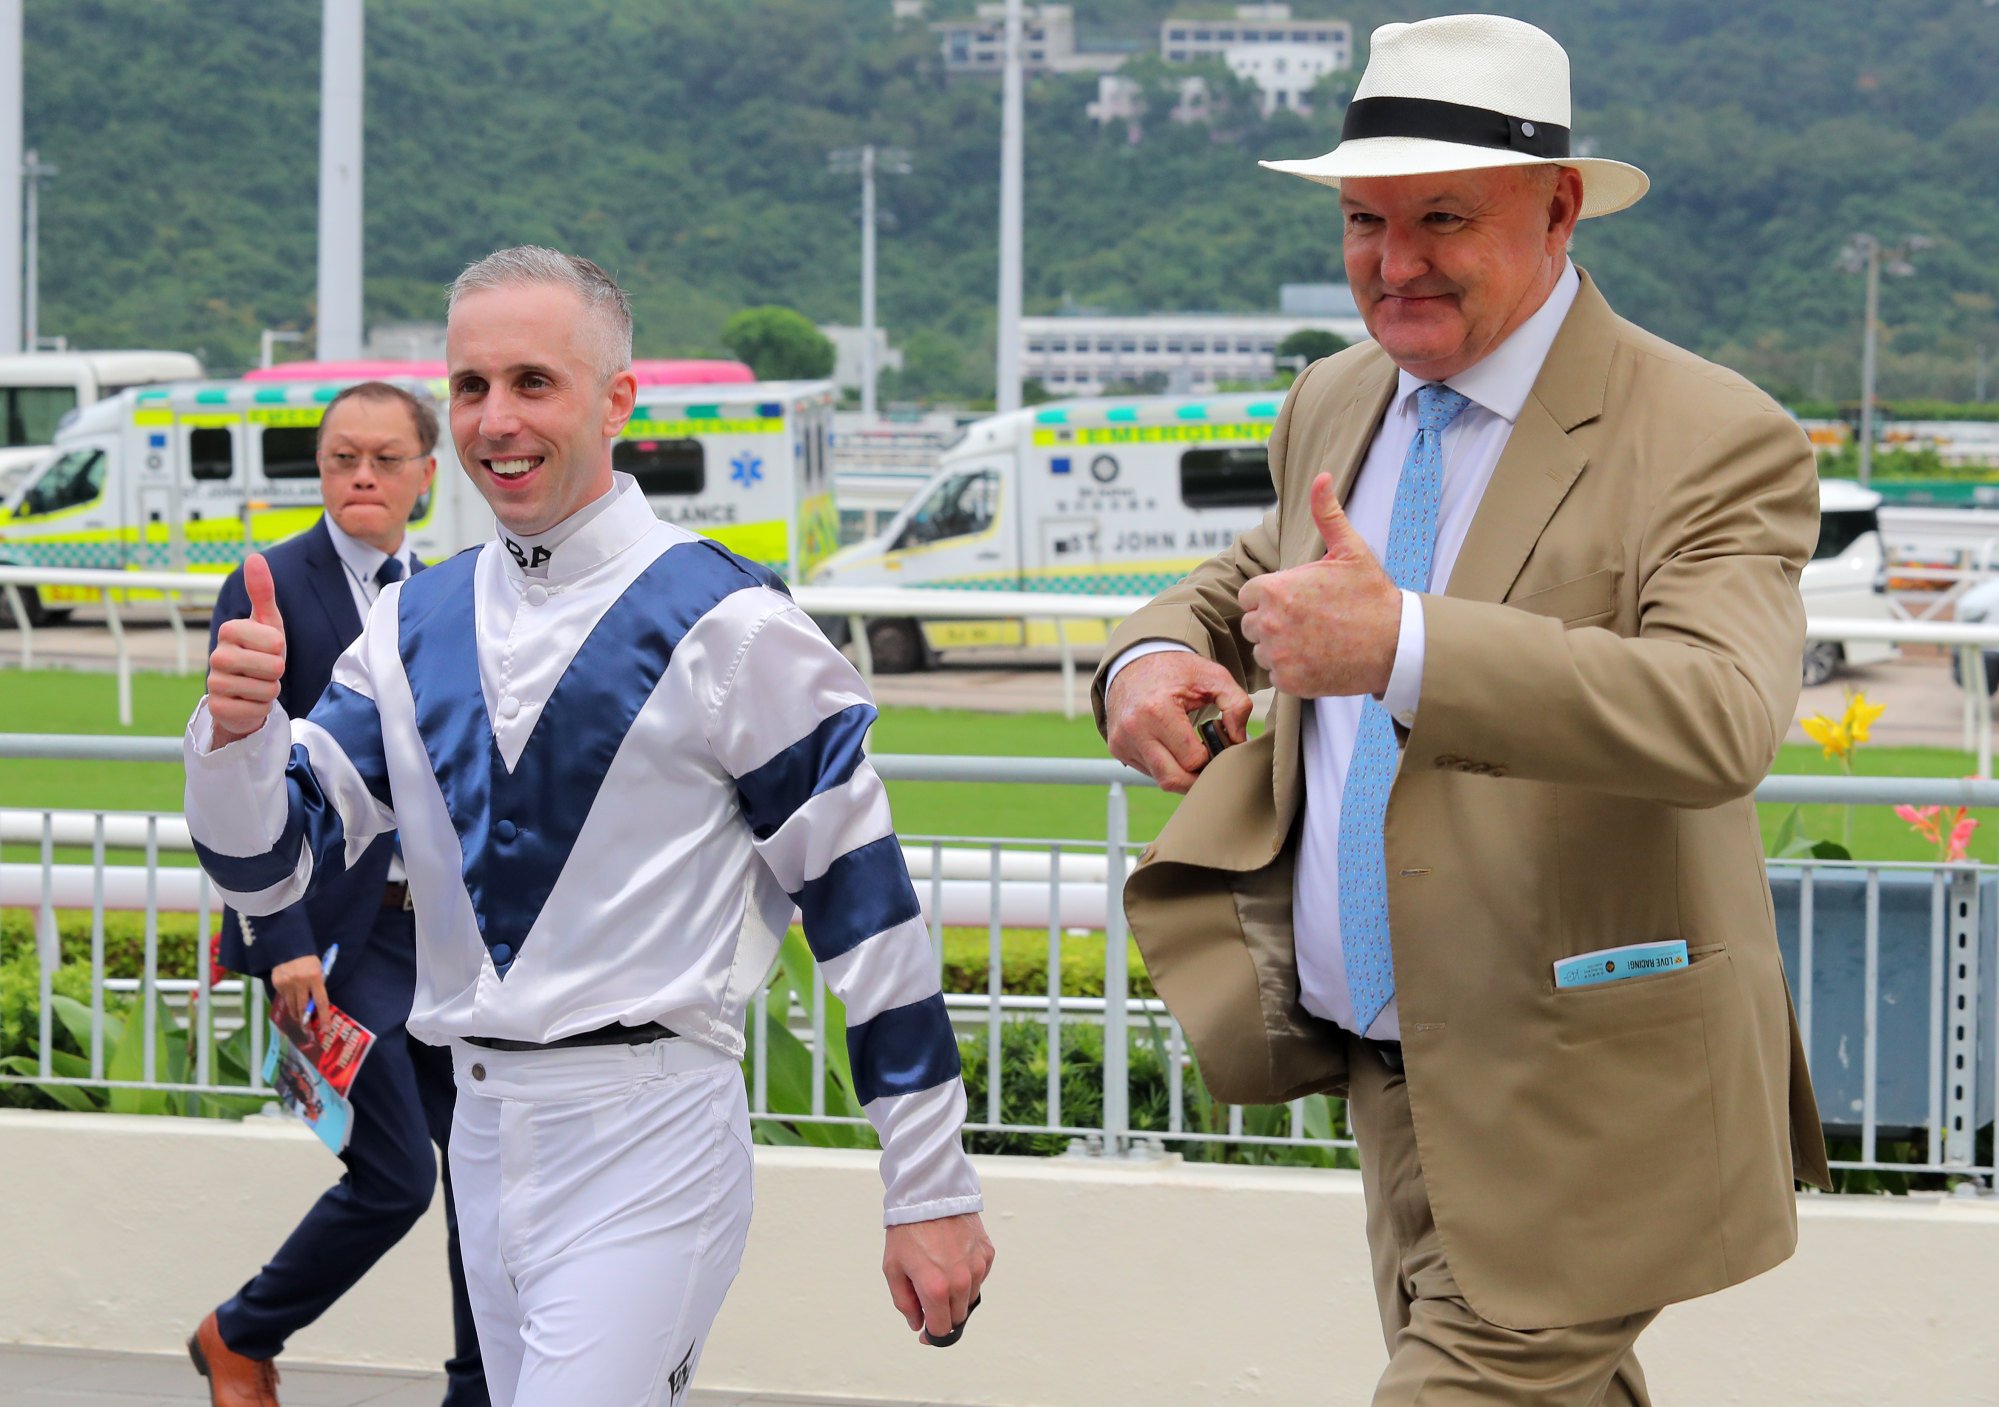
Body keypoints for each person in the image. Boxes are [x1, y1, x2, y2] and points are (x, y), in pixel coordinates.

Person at [1097, 16, 1829, 1405]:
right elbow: (1241, 579)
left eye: (1441, 216)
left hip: (1583, 1088)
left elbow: (1719, 713)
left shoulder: (1709, 432)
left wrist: (1405, 644)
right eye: (1364, 221)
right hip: (1390, 1067)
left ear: (1557, 210)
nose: (1394, 260)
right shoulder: (1335, 397)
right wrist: (1143, 659)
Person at [184, 247, 993, 1407]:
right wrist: (239, 733)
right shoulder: (413, 623)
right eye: (470, 387)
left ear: (617, 398)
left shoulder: (730, 621)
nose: (496, 421)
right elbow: (274, 854)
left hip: (649, 1134)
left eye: (532, 383)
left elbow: (863, 909)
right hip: (483, 1136)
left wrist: (928, 1185)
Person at [188, 382, 487, 1407]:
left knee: (484, 1182)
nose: (362, 476)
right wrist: (282, 945)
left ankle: (478, 1388)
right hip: (328, 948)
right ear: (320, 472)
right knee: (398, 1176)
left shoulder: (448, 593)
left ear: (424, 478)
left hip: (441, 947)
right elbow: (241, 782)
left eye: (385, 460)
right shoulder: (268, 587)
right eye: (341, 459)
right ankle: (240, 1333)